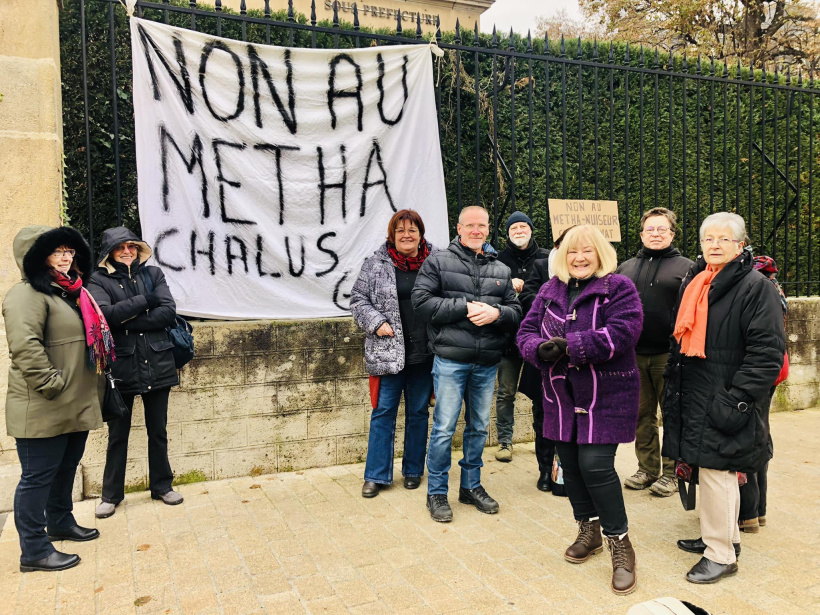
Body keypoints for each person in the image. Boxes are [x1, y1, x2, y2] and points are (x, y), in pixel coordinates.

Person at [517, 224, 643, 595]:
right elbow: (525, 332)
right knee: (569, 466)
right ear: (563, 257)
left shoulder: (619, 288)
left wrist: (572, 345)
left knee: (595, 465)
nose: (579, 257)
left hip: (605, 394)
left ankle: (620, 541)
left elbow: (623, 332)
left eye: (587, 250)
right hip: (560, 396)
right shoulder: (548, 290)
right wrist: (538, 349)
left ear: (600, 253)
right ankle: (588, 530)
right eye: (572, 252)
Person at [663, 212, 785, 584]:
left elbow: (767, 354)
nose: (714, 245)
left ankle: (720, 556)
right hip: (697, 392)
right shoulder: (699, 280)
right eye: (707, 239)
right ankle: (724, 538)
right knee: (716, 471)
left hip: (727, 397)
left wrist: (738, 400)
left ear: (740, 244)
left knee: (718, 472)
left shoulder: (755, 287)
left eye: (723, 239)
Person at [4, 226, 112, 572]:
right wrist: (53, 385)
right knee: (38, 477)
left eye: (69, 250)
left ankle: (61, 523)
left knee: (66, 468)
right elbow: (25, 347)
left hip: (74, 403)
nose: (66, 257)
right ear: (36, 258)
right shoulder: (26, 294)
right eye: (56, 252)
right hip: (45, 404)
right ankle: (34, 550)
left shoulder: (71, 292)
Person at [412, 206, 522, 523]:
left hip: (487, 362)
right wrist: (464, 306)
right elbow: (421, 302)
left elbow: (516, 314)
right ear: (458, 228)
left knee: (478, 428)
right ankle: (436, 492)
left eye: (481, 225)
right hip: (450, 360)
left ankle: (471, 486)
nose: (476, 230)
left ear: (488, 229)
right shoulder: (438, 261)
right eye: (470, 225)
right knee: (444, 429)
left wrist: (496, 314)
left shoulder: (500, 269)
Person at [87, 227, 183, 518]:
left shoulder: (153, 275)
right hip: (122, 366)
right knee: (118, 434)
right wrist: (145, 303)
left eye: (131, 246)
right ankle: (111, 495)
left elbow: (168, 312)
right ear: (110, 253)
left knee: (159, 431)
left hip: (158, 362)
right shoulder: (97, 279)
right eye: (120, 247)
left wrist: (127, 321)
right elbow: (107, 316)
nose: (127, 251)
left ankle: (162, 486)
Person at [349, 210, 435, 498]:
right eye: (401, 231)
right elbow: (358, 300)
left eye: (412, 230)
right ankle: (376, 475)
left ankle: (413, 471)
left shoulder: (436, 262)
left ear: (421, 233)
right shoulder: (375, 264)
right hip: (387, 354)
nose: (406, 235)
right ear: (392, 235)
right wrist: (377, 322)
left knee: (419, 413)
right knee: (383, 412)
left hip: (425, 353)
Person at [617, 208, 694, 497]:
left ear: (672, 234)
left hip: (670, 354)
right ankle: (647, 469)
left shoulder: (687, 267)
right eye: (650, 229)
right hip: (633, 353)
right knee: (641, 414)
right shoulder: (624, 268)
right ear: (641, 233)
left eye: (662, 229)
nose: (656, 234)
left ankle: (673, 472)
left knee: (672, 414)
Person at [493, 211, 550, 462]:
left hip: (542, 338)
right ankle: (505, 441)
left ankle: (546, 439)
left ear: (530, 229)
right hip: (508, 338)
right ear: (507, 233)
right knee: (506, 392)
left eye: (522, 226)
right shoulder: (496, 260)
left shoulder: (548, 257)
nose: (518, 230)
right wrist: (505, 282)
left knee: (543, 391)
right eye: (513, 227)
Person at [737, 254, 788, 533]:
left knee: (750, 437)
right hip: (773, 370)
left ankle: (749, 513)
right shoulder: (774, 286)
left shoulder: (757, 288)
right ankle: (759, 511)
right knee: (760, 433)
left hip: (756, 372)